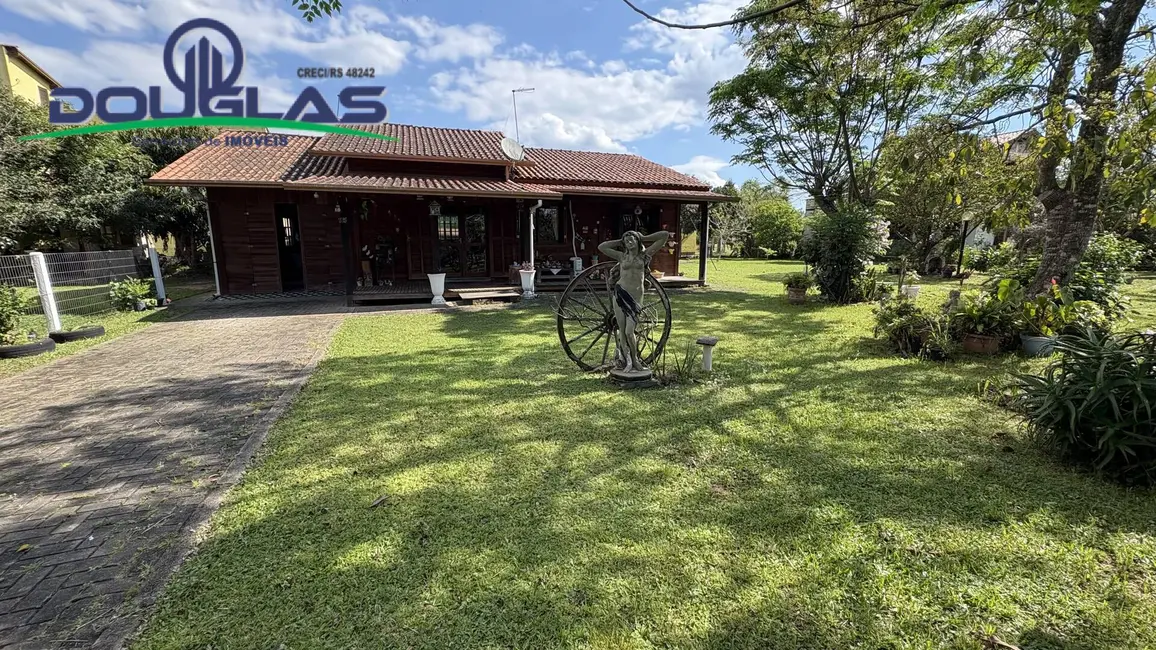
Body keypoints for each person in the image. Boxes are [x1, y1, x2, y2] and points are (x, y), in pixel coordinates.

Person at [598, 230, 670, 372]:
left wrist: (643, 237)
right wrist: (620, 241)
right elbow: (602, 247)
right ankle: (627, 361)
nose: (629, 243)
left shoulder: (644, 256)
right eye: (627, 241)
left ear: (637, 241)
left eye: (632, 240)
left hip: (636, 296)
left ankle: (635, 360)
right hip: (620, 292)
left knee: (630, 331)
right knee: (622, 332)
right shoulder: (621, 256)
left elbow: (664, 235)